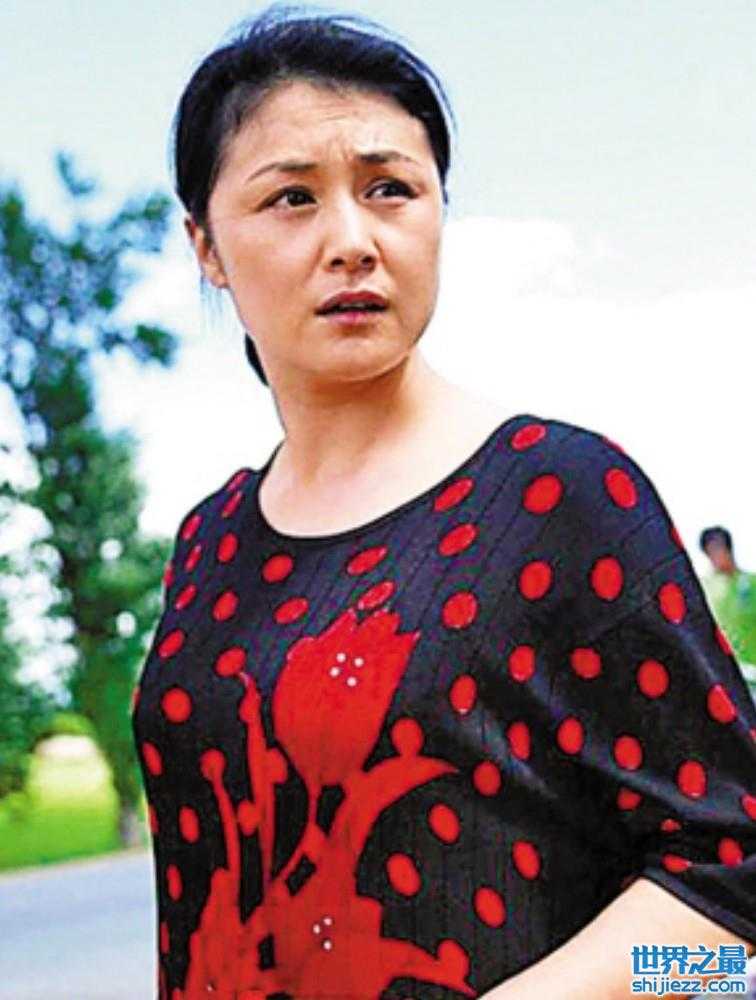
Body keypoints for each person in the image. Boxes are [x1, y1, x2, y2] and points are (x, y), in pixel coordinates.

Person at [131, 7, 755, 998]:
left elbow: (737, 906)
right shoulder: (211, 538)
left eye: (390, 189)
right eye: (291, 197)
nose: (352, 241)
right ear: (205, 245)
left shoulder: (557, 496)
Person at [699, 526, 756, 699]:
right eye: (709, 552)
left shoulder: (751, 583)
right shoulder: (705, 588)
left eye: (717, 548)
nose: (714, 556)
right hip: (724, 676)